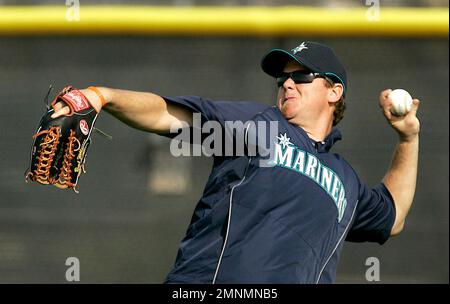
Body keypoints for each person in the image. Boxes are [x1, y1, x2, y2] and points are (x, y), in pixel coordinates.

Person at [51, 41, 420, 283]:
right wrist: (103, 96)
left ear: (334, 91)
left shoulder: (346, 181)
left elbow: (394, 216)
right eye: (282, 79)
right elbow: (169, 117)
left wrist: (408, 137)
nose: (287, 84)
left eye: (302, 76)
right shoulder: (258, 125)